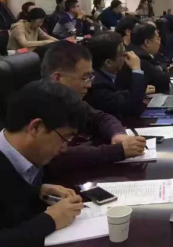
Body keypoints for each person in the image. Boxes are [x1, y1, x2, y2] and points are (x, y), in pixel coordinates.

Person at [0, 81, 85, 247]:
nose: (64, 148)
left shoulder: (26, 155)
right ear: (35, 127)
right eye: (65, 138)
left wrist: (36, 190)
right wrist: (50, 220)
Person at [41, 42, 146, 173]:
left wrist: (118, 134)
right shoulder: (37, 104)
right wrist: (118, 151)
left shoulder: (68, 100)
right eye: (84, 78)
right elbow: (55, 157)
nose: (89, 85)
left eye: (90, 77)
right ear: (58, 78)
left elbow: (101, 118)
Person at [85, 32, 154, 120]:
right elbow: (131, 108)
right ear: (108, 63)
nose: (127, 56)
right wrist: (136, 69)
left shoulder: (112, 73)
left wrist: (137, 91)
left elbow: (120, 95)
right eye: (123, 54)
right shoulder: (97, 84)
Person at [119, 24, 170, 94]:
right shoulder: (139, 57)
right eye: (158, 39)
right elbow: (164, 80)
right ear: (147, 42)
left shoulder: (131, 51)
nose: (159, 42)